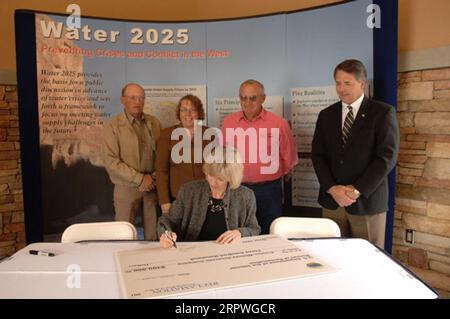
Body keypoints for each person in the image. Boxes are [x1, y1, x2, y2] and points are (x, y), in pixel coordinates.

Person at [311, 59, 399, 249]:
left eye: (347, 83)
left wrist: (356, 190)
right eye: (338, 83)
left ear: (361, 83)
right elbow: (318, 155)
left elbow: (386, 158)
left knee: (369, 259)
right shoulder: (326, 115)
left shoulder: (382, 113)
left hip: (366, 202)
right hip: (332, 201)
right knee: (333, 255)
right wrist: (332, 189)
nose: (341, 88)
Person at [221, 79, 298, 234]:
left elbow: (289, 157)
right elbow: (223, 156)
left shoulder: (279, 123)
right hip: (237, 188)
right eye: (243, 98)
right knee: (238, 233)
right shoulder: (228, 123)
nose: (247, 102)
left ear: (263, 98)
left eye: (253, 98)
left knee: (270, 232)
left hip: (269, 190)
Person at [158, 147, 260, 248]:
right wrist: (165, 234)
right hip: (193, 253)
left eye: (220, 179)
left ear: (231, 178)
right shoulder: (189, 191)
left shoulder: (246, 196)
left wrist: (240, 232)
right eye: (210, 175)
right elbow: (166, 220)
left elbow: (254, 229)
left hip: (229, 253)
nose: (213, 182)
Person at [103, 83, 161, 240]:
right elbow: (111, 161)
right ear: (123, 100)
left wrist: (153, 177)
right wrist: (140, 178)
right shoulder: (112, 126)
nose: (138, 102)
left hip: (152, 186)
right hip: (126, 187)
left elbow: (162, 156)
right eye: (133, 98)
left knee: (154, 236)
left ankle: (154, 264)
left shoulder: (154, 123)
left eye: (141, 98)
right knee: (124, 236)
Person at [155, 94, 215, 214]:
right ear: (179, 112)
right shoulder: (167, 134)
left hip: (205, 196)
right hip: (177, 197)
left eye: (192, 110)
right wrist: (164, 201)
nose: (188, 114)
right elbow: (161, 171)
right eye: (184, 110)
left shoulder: (210, 134)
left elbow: (215, 169)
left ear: (199, 113)